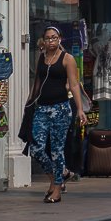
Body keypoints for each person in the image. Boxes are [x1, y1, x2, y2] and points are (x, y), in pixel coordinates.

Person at [26, 26, 87, 203]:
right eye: (47, 38)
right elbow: (36, 83)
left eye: (54, 37)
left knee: (56, 151)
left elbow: (74, 85)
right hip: (42, 109)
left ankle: (57, 190)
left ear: (59, 38)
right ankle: (57, 177)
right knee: (36, 147)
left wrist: (80, 109)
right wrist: (28, 105)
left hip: (60, 109)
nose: (51, 41)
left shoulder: (67, 59)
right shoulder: (40, 58)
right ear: (43, 40)